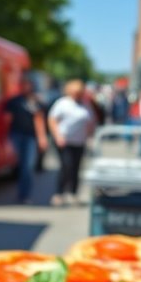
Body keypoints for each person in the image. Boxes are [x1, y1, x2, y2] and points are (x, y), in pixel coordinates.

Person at [48, 79, 95, 207]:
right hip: (64, 140)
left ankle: (73, 193)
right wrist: (58, 136)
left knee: (76, 168)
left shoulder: (85, 104)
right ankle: (59, 193)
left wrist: (90, 136)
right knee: (66, 166)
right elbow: (52, 119)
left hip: (79, 141)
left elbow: (90, 121)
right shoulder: (62, 103)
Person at [4, 75, 49, 204]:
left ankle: (24, 194)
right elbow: (7, 119)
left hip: (30, 137)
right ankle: (19, 190)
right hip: (16, 134)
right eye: (23, 84)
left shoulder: (35, 102)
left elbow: (39, 120)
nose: (25, 87)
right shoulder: (14, 101)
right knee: (18, 164)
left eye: (28, 84)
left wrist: (42, 138)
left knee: (28, 166)